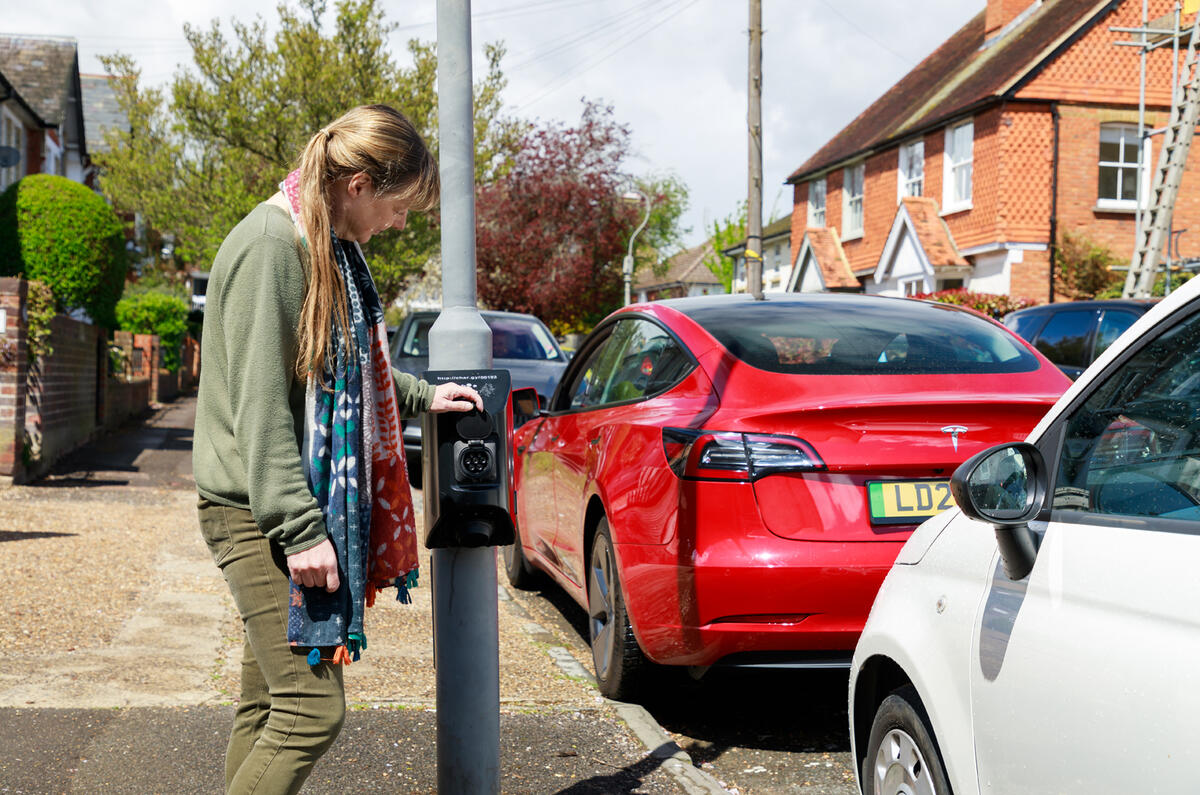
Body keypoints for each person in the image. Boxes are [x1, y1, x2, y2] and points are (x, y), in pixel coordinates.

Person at [193, 104, 480, 794]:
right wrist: (299, 530)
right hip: (260, 510)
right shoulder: (274, 247)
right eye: (399, 205)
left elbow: (340, 363)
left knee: (267, 703)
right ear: (357, 184)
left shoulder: (322, 247)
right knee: (310, 709)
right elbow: (260, 405)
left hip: (274, 499)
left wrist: (419, 396)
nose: (401, 222)